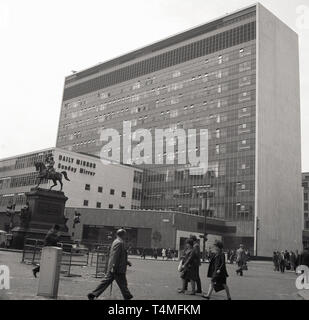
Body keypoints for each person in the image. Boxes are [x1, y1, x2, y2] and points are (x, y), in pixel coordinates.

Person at [87, 229, 133, 300]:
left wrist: (126, 262)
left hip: (116, 267)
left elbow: (119, 255)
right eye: (125, 234)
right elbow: (115, 255)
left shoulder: (117, 241)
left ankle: (93, 294)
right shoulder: (119, 242)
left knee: (107, 282)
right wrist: (114, 265)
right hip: (118, 268)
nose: (126, 236)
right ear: (123, 235)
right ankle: (127, 296)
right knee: (122, 284)